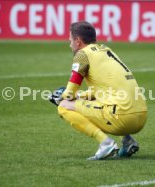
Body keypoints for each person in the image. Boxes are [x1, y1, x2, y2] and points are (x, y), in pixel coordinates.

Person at [52, 21, 147, 160]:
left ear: (78, 41)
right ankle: (127, 141)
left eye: (70, 40)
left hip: (122, 117)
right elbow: (102, 91)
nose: (69, 44)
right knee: (100, 100)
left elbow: (69, 94)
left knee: (64, 106)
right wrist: (80, 96)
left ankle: (105, 143)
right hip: (141, 116)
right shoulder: (107, 51)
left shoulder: (82, 54)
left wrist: (60, 97)